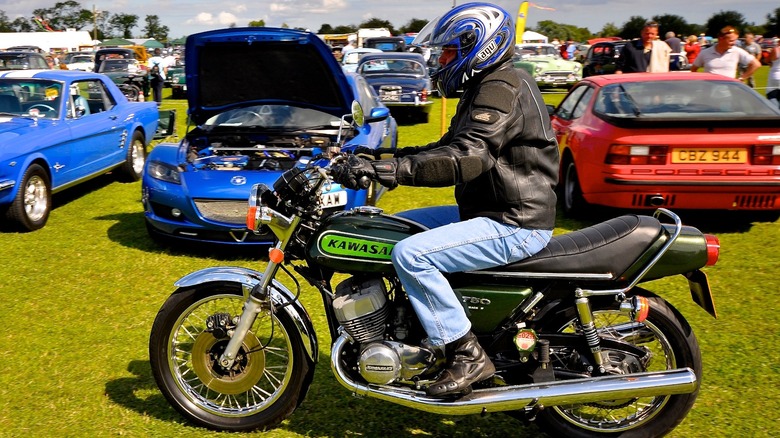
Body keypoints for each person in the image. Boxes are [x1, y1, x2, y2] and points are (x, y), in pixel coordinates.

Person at [331, 2, 559, 397]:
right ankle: (411, 330)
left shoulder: (501, 87)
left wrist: (390, 172)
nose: (442, 60)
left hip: (514, 221)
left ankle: (465, 353)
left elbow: (468, 157)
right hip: (487, 208)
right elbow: (448, 146)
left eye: (450, 51)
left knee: (411, 254)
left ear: (480, 45)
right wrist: (382, 159)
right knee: (395, 229)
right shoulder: (488, 85)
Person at [691, 26, 760, 82]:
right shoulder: (705, 53)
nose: (734, 43)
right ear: (721, 39)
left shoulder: (737, 51)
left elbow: (756, 64)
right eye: (731, 41)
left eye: (735, 40)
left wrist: (741, 78)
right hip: (709, 93)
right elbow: (694, 69)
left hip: (729, 93)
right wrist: (699, 82)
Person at [767, 40, 780, 108]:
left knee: (771, 95)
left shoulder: (775, 49)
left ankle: (776, 112)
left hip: (775, 75)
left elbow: (767, 60)